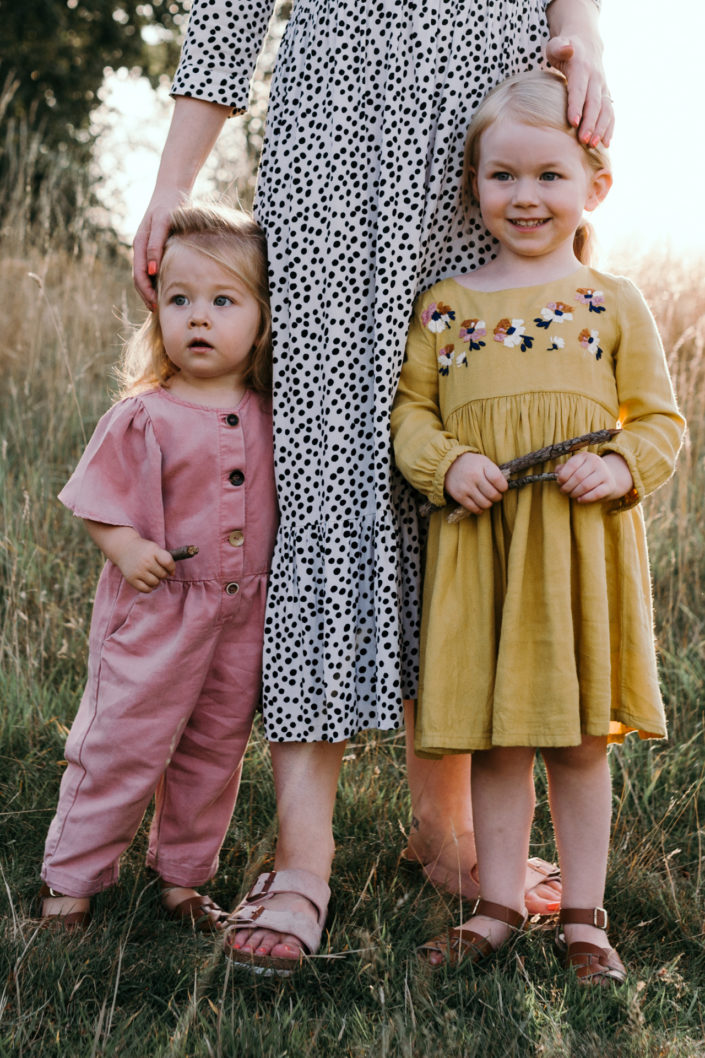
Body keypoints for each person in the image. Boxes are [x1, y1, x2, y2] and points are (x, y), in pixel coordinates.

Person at [133, 1, 614, 973]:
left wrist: (586, 35)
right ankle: (303, 857)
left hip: (491, 108)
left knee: (465, 452)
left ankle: (448, 832)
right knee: (329, 464)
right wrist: (172, 179)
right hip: (335, 117)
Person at [391, 68, 685, 984]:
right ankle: (498, 904)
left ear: (593, 184)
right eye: (501, 176)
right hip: (485, 550)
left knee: (576, 741)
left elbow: (660, 423)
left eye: (548, 176)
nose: (524, 197)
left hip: (574, 554)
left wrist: (619, 464)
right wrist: (450, 464)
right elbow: (410, 414)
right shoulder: (446, 305)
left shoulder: (612, 299)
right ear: (472, 185)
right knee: (497, 736)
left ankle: (587, 919)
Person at [40, 205, 277, 932]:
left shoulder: (268, 411)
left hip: (240, 617)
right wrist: (126, 546)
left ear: (263, 320)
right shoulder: (145, 414)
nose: (197, 319)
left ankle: (181, 877)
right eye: (180, 301)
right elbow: (94, 498)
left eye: (222, 301)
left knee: (215, 748)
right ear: (157, 314)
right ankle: (71, 883)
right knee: (122, 741)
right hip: (157, 610)